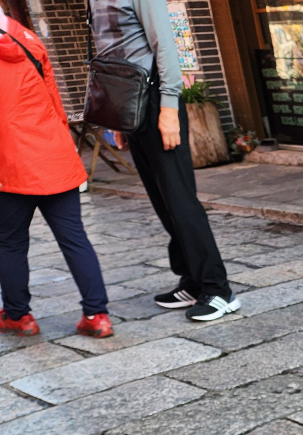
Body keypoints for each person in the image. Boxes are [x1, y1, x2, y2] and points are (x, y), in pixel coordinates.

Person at [0, 0, 112, 338]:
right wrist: (63, 143)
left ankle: (18, 316)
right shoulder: (21, 32)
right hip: (52, 149)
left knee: (9, 241)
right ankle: (98, 316)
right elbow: (53, 96)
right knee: (75, 237)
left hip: (9, 156)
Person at [88, 0, 240, 322]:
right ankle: (192, 280)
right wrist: (118, 119)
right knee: (162, 201)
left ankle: (218, 289)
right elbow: (112, 53)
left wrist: (169, 108)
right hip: (132, 102)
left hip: (157, 99)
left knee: (180, 199)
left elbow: (166, 46)